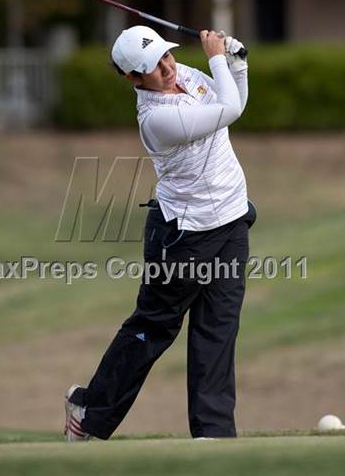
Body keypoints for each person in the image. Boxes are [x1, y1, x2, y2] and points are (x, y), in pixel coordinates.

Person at [63, 25, 257, 442]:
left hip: (231, 220)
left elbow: (232, 99)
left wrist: (236, 65)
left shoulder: (181, 73)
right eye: (154, 66)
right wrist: (219, 59)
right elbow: (228, 111)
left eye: (167, 56)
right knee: (154, 327)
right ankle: (90, 408)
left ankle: (214, 434)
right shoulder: (158, 118)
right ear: (135, 78)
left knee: (219, 327)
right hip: (183, 236)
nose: (168, 67)